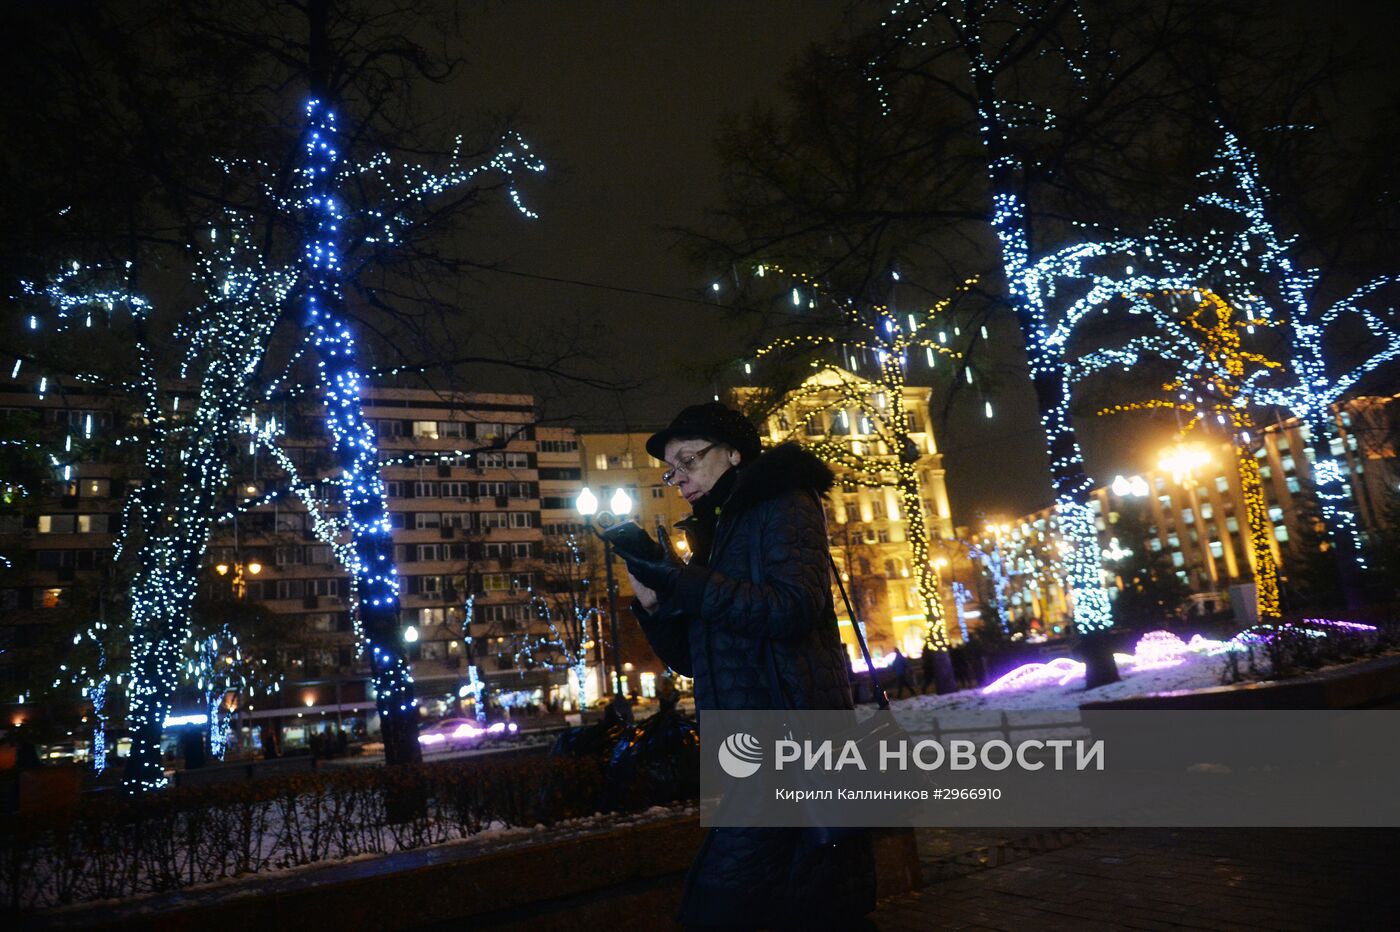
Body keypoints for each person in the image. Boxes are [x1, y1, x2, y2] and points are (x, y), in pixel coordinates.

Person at [620, 402, 876, 931]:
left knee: (731, 904)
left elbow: (792, 606)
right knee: (813, 901)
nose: (678, 479)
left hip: (793, 741)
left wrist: (682, 582)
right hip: (749, 751)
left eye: (688, 460)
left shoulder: (783, 502)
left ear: (734, 454)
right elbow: (698, 659)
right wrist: (654, 602)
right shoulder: (716, 532)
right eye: (671, 470)